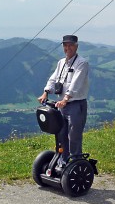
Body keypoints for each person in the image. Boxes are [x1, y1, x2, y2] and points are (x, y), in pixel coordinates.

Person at [37, 34, 89, 166]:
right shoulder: (61, 62)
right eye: (65, 45)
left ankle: (76, 163)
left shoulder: (81, 63)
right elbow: (53, 79)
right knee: (61, 134)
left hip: (76, 105)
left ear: (76, 46)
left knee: (74, 136)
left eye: (71, 45)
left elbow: (76, 84)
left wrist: (66, 99)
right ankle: (62, 162)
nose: (68, 48)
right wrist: (45, 93)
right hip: (62, 105)